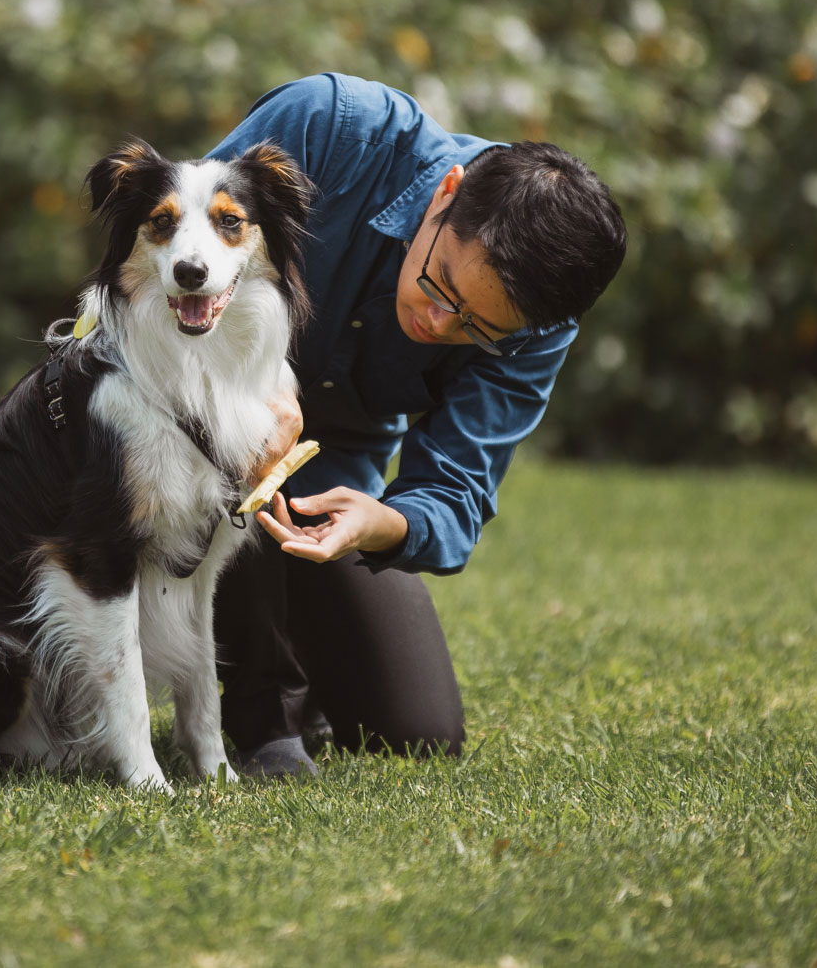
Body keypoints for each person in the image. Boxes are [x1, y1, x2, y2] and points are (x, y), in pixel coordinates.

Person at [203, 73, 626, 776]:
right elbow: (172, 263)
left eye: (477, 329)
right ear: (445, 192)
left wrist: (383, 522)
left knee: (417, 730)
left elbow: (457, 487)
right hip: (197, 418)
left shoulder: (537, 322)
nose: (436, 324)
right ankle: (264, 715)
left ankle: (292, 667)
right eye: (441, 286)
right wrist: (255, 393)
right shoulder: (332, 128)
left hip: (327, 480)